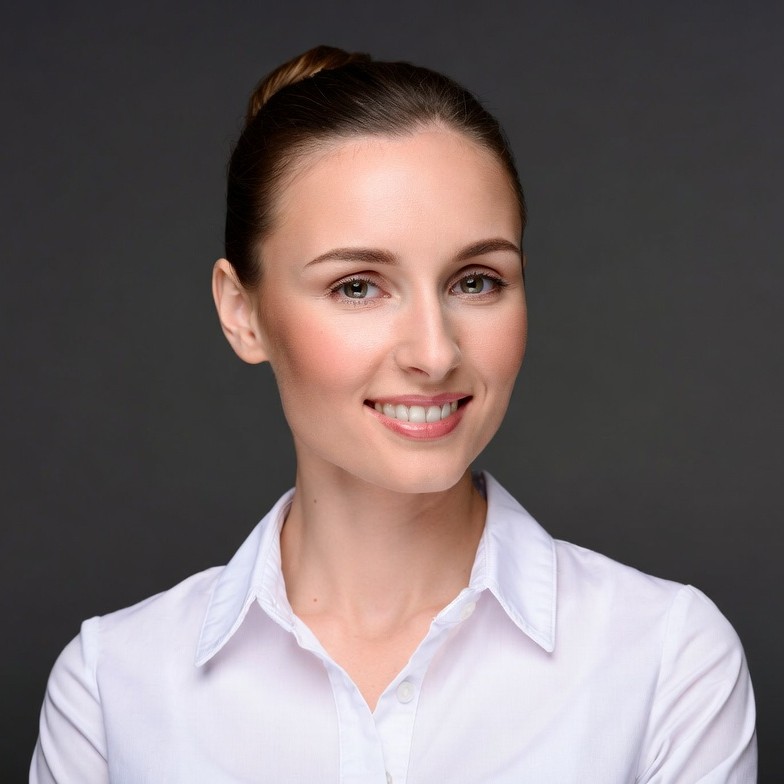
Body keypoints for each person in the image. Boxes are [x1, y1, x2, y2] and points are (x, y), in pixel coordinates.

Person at [30, 45, 757, 783]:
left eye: (476, 281)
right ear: (242, 312)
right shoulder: (110, 688)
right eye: (357, 287)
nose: (435, 353)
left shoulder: (668, 660)